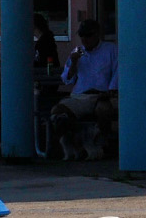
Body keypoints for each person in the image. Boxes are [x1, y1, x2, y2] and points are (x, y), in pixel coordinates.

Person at [50, 19, 116, 159]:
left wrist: (112, 89)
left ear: (97, 34)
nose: (85, 39)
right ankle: (74, 141)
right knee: (57, 112)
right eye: (82, 36)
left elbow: (118, 71)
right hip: (80, 95)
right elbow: (67, 79)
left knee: (103, 110)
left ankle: (99, 142)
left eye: (88, 35)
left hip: (100, 95)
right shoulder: (77, 52)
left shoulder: (110, 50)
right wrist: (73, 62)